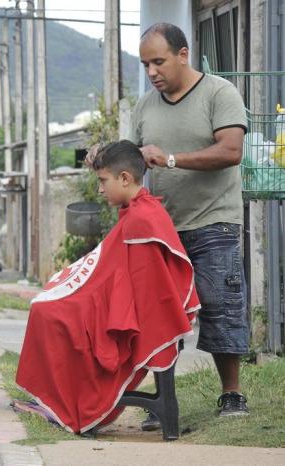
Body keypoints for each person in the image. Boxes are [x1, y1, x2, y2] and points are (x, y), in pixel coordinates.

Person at [16, 141, 199, 434]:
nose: (100, 190)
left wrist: (88, 298)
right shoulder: (139, 210)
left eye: (103, 181)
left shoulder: (142, 218)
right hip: (121, 298)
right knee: (46, 303)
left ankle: (63, 403)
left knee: (48, 312)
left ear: (124, 178)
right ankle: (58, 400)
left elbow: (140, 290)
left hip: (136, 314)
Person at [133, 22, 249, 425]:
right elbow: (134, 160)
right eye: (146, 64)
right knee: (160, 314)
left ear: (183, 54)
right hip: (163, 230)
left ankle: (231, 394)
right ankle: (162, 401)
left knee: (221, 304)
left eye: (159, 61)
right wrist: (108, 160)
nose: (152, 72)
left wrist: (170, 159)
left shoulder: (220, 93)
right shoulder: (145, 105)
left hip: (214, 220)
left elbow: (231, 151)